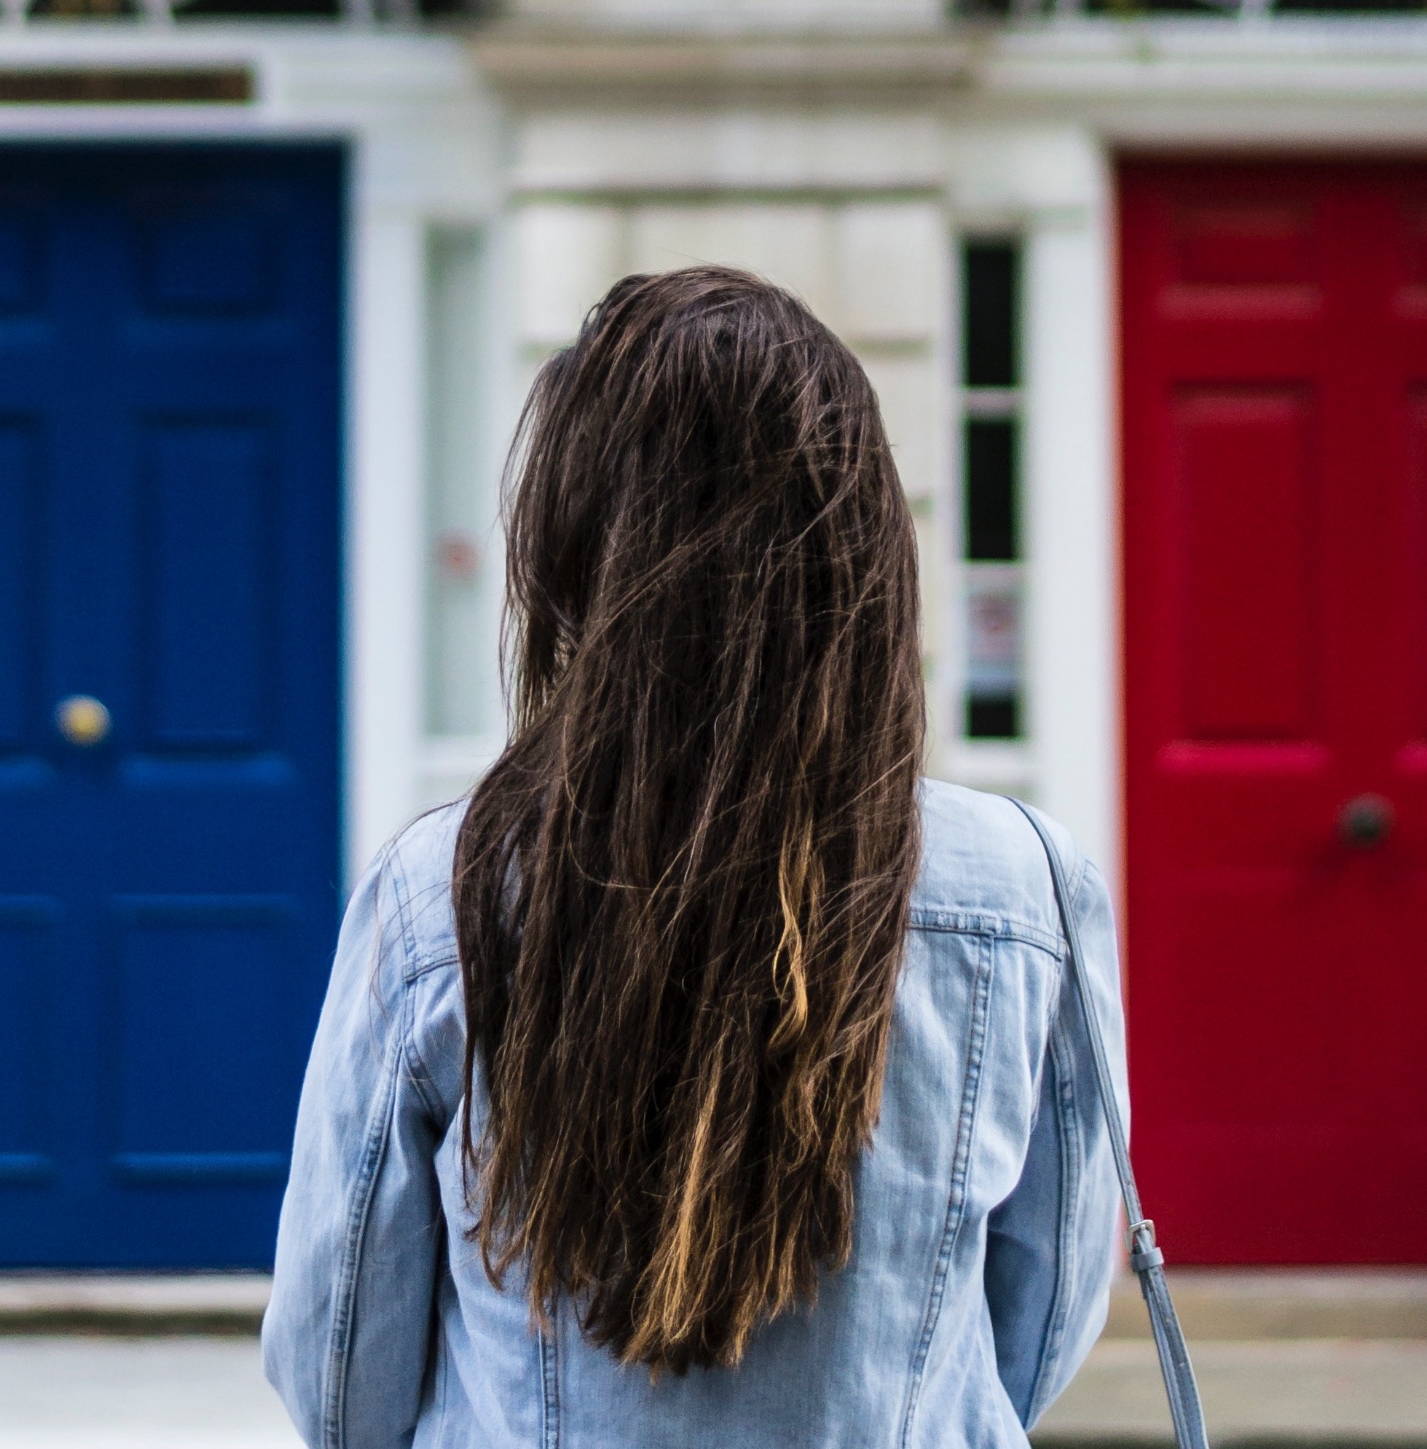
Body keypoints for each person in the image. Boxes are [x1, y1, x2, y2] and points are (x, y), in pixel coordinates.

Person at [262, 266, 1125, 1448]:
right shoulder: (1025, 887)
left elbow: (338, 1361)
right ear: (862, 550)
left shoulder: (442, 891)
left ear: (576, 559)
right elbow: (1034, 1329)